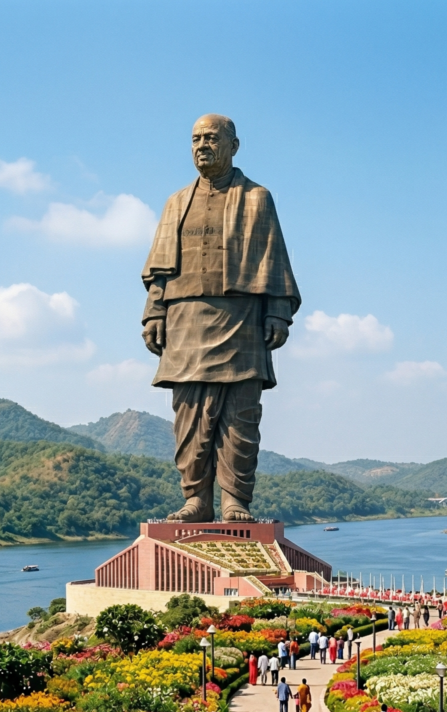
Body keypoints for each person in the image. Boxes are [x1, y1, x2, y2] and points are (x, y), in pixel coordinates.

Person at [140, 114, 300, 524]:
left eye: (211, 138)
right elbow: (158, 269)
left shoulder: (256, 198)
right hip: (185, 320)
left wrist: (278, 312)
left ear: (234, 145)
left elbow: (273, 255)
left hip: (242, 318)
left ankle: (234, 501)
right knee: (189, 416)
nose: (201, 146)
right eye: (195, 139)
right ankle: (197, 499)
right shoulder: (176, 201)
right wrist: (154, 312)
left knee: (240, 415)